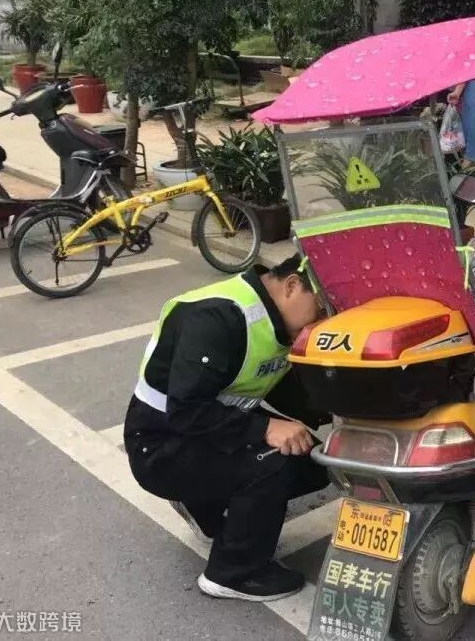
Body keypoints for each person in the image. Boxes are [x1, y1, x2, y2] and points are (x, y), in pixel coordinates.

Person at [124, 255, 329, 602]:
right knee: (274, 464)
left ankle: (204, 508)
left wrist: (345, 411)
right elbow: (186, 410)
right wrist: (265, 427)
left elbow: (274, 382)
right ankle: (234, 573)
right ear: (293, 286)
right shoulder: (217, 317)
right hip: (160, 445)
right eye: (322, 310)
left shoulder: (278, 320)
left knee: (314, 462)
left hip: (205, 430)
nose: (323, 323)